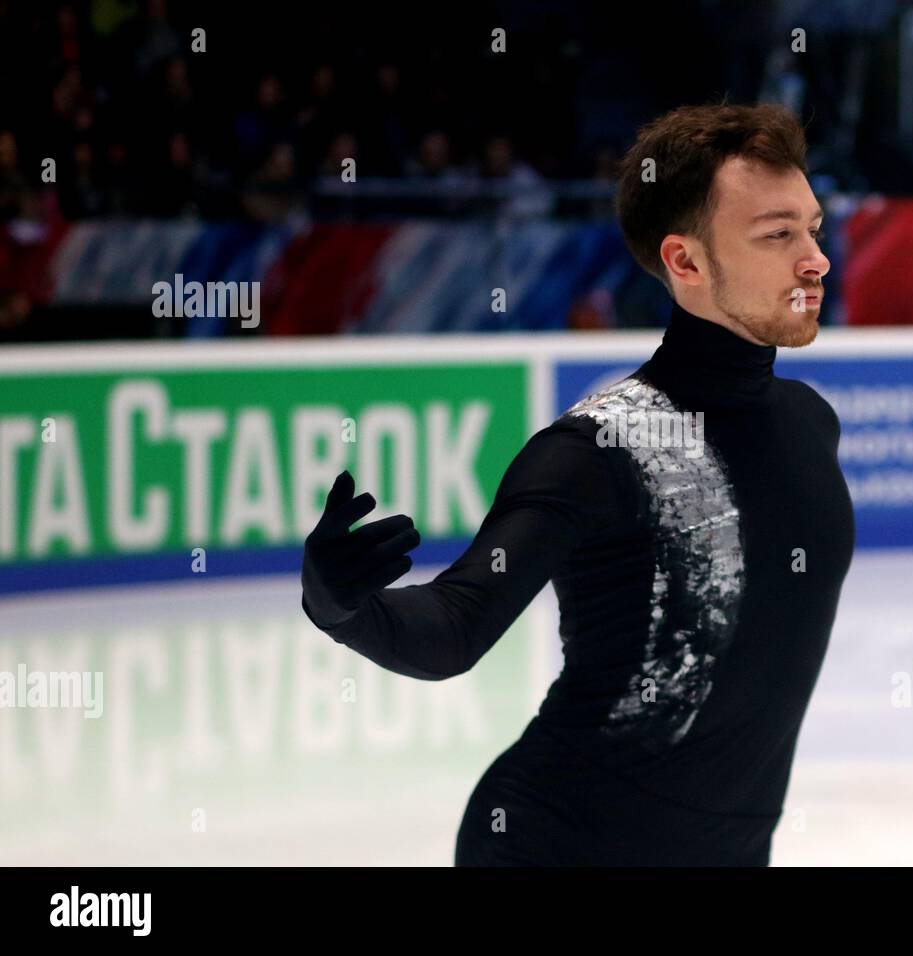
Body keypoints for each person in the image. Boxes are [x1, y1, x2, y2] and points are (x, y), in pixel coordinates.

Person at [300, 102, 855, 865]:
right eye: (777, 234)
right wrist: (340, 606)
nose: (815, 260)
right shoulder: (598, 448)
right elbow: (455, 628)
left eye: (813, 228)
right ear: (685, 262)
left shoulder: (809, 422)